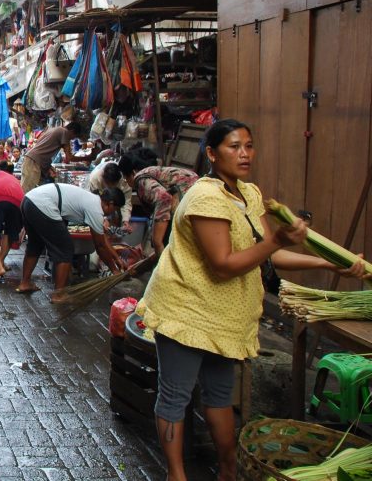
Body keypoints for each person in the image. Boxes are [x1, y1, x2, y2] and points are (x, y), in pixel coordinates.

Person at [137, 119, 366, 481]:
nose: (244, 153)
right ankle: (176, 474)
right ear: (211, 154)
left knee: (219, 394)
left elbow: (267, 255)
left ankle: (228, 469)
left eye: (249, 145)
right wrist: (278, 241)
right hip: (185, 311)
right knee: (175, 395)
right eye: (233, 146)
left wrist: (332, 262)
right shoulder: (205, 196)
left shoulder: (250, 194)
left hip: (224, 317)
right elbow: (225, 265)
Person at [19, 182, 127, 298]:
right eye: (115, 209)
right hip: (43, 204)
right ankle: (58, 295)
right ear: (110, 204)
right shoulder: (96, 209)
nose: (113, 213)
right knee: (65, 249)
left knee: (35, 244)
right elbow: (99, 246)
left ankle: (25, 283)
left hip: (29, 200)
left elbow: (102, 238)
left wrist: (116, 258)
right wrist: (114, 270)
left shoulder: (93, 200)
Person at [119, 154, 199, 255]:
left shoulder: (140, 180)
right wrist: (146, 244)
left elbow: (164, 198)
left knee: (163, 242)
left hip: (191, 195)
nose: (126, 181)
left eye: (126, 177)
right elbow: (156, 215)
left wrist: (158, 242)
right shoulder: (146, 173)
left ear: (133, 172)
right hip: (192, 192)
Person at [20, 121, 84, 193]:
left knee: (33, 190)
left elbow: (44, 149)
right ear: (72, 131)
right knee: (28, 191)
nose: (72, 139)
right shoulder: (64, 132)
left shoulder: (55, 130)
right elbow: (69, 158)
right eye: (74, 137)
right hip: (34, 161)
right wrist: (88, 157)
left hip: (33, 160)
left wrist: (48, 166)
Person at [85, 160, 133, 226]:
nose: (111, 187)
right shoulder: (95, 179)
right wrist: (104, 219)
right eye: (109, 185)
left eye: (114, 184)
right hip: (100, 202)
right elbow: (94, 204)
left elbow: (126, 201)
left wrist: (125, 220)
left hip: (114, 202)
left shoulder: (124, 180)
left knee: (117, 221)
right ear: (104, 180)